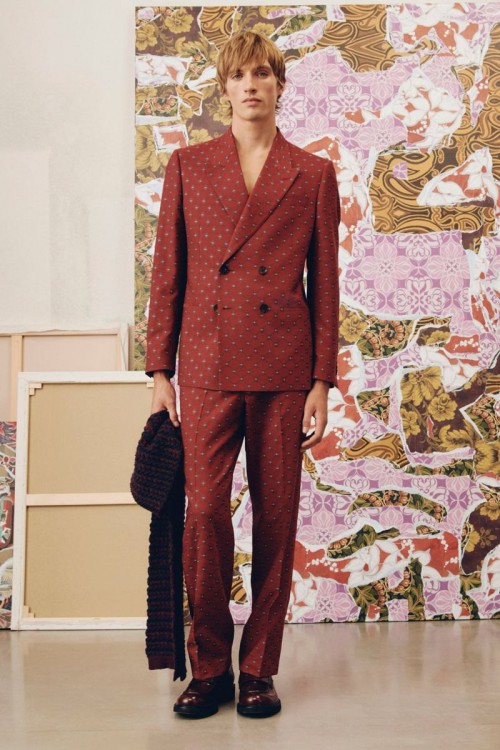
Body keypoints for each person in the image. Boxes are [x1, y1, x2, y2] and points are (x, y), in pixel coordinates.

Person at [145, 29, 341, 719]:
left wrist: (322, 379)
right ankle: (208, 668)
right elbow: (167, 273)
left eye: (262, 73)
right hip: (205, 362)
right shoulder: (187, 165)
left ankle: (258, 668)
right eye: (239, 75)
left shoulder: (312, 173)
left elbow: (326, 284)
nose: (251, 85)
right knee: (203, 515)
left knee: (277, 519)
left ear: (280, 84)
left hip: (284, 368)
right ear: (224, 88)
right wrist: (158, 368)